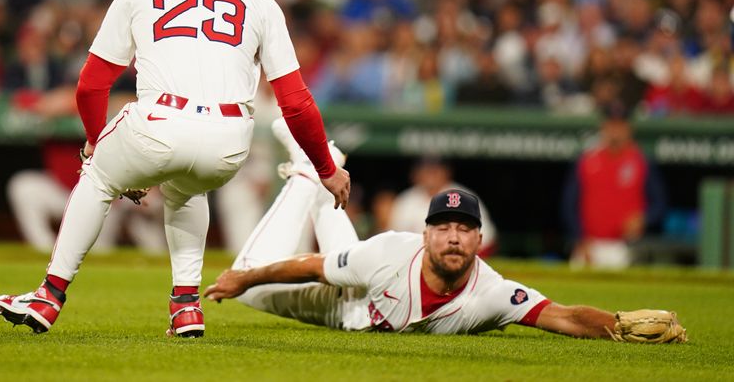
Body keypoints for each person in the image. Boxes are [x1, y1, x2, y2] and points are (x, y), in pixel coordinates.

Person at [0, 0, 350, 338]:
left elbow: (91, 85)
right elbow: (296, 102)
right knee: (187, 186)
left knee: (99, 175)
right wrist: (325, 168)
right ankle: (185, 307)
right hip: (227, 140)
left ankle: (49, 295)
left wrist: (94, 143)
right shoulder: (260, 0)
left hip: (159, 123)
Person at [204, 125, 686, 343]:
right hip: (343, 300)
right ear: (426, 233)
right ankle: (313, 170)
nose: (454, 237)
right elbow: (311, 266)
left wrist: (617, 325)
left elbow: (563, 316)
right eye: (444, 228)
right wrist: (244, 281)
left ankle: (320, 163)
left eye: (464, 229)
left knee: (345, 248)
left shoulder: (491, 292)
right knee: (251, 281)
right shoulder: (393, 250)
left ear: (479, 240)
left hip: (364, 290)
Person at [562, 101, 666, 268]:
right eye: (611, 125)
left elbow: (659, 204)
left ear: (629, 128)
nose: (615, 131)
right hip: (589, 246)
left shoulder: (641, 160)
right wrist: (579, 239)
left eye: (620, 126)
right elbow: (569, 204)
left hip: (625, 247)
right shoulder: (587, 158)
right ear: (603, 127)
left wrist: (643, 219)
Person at [380, 156, 497, 256]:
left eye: (436, 169)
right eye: (426, 169)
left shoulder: (464, 197)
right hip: (415, 263)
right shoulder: (406, 200)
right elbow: (393, 240)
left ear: (447, 172)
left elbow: (487, 239)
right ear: (415, 174)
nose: (431, 174)